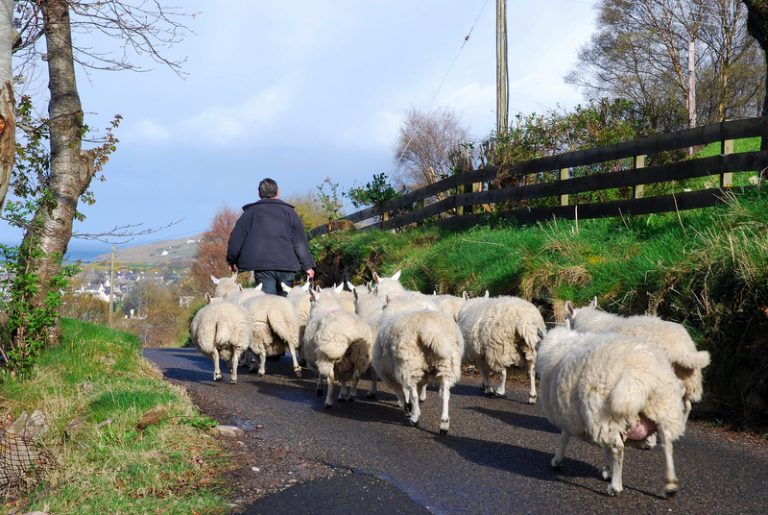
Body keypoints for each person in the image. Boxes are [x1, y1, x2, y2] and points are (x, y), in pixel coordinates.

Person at [226, 178, 315, 296]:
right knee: (285, 303)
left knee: (268, 302)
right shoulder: (290, 212)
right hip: (287, 265)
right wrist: (307, 266)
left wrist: (231, 261)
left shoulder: (250, 213)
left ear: (259, 193)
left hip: (263, 267)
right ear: (278, 192)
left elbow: (236, 239)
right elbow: (299, 242)